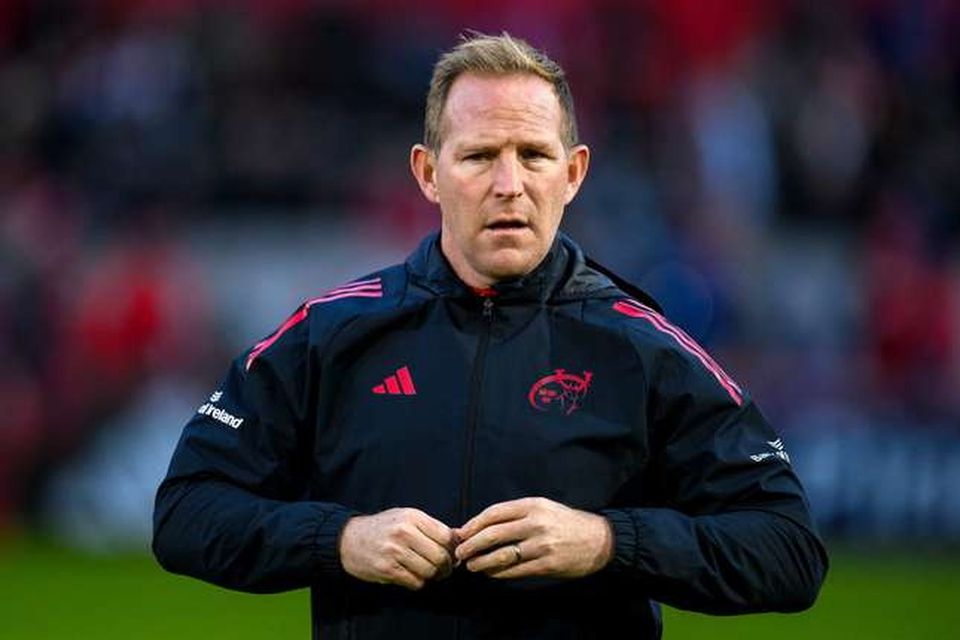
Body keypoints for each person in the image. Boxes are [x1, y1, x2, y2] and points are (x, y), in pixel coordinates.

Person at [153, 32, 827, 638]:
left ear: (573, 173)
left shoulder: (644, 350)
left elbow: (789, 550)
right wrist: (340, 540)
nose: (510, 185)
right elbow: (186, 510)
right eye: (479, 156)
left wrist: (606, 543)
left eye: (533, 155)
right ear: (428, 173)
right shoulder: (330, 337)